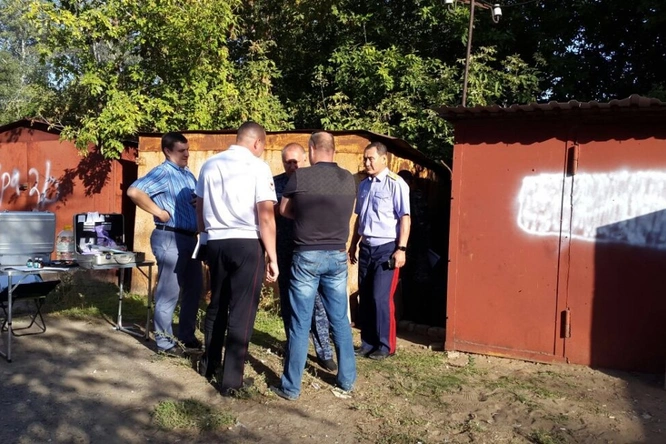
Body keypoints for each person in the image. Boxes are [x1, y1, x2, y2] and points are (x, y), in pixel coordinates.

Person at [271, 132, 357, 401]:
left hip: (306, 255)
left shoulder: (300, 177)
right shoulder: (348, 178)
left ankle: (291, 387)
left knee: (300, 322)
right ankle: (346, 380)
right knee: (340, 320)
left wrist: (304, 217)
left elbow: (283, 210)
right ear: (333, 150)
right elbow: (347, 211)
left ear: (311, 150)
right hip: (337, 255)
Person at [195, 121, 279, 395]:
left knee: (217, 304)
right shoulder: (259, 167)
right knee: (242, 311)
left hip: (216, 241)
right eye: (263, 146)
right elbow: (266, 216)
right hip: (246, 242)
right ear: (257, 142)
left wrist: (204, 239)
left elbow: (200, 208)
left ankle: (209, 364)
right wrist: (272, 257)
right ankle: (231, 382)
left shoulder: (209, 165)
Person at [127, 132, 203, 356]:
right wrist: (158, 212)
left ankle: (186, 336)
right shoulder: (163, 172)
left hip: (190, 239)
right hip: (169, 237)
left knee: (194, 289)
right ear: (168, 151)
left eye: (188, 150)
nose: (187, 154)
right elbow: (134, 191)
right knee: (169, 291)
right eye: (182, 151)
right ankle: (165, 343)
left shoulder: (187, 174)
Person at [274, 143, 337, 372]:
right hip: (284, 249)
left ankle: (324, 352)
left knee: (318, 302)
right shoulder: (275, 183)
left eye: (295, 161)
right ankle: (293, 346)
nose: (292, 166)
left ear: (304, 159)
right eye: (287, 162)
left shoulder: (314, 181)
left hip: (311, 250)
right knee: (288, 301)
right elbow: (268, 213)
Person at [348, 141, 411, 360]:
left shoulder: (396, 184)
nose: (367, 162)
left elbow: (405, 219)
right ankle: (367, 343)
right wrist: (354, 244)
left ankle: (386, 345)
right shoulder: (364, 185)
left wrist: (401, 249)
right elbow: (360, 218)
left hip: (387, 248)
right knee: (365, 296)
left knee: (380, 298)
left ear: (384, 159)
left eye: (371, 158)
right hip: (366, 247)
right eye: (365, 158)